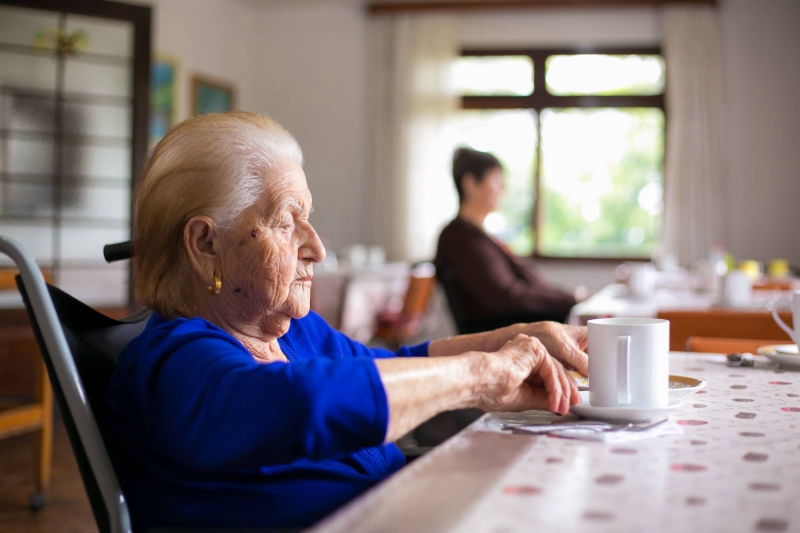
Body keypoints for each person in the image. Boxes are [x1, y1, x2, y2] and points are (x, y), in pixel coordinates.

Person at [103, 112, 588, 531]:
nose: (317, 247)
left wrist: (523, 338)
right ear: (206, 245)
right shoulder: (172, 363)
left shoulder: (295, 331)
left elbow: (397, 363)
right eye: (286, 221)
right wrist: (483, 378)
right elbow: (301, 402)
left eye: (308, 218)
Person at [435, 147, 583, 333]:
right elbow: (507, 296)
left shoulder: (477, 236)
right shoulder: (461, 238)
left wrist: (570, 296)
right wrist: (570, 299)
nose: (502, 188)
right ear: (470, 184)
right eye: (496, 180)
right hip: (504, 333)